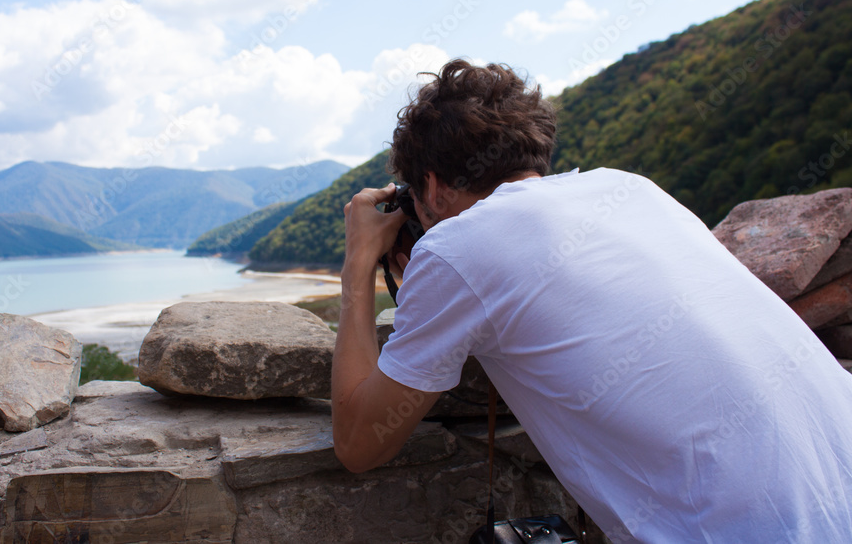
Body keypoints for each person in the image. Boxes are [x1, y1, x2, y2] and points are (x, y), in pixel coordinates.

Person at [331, 58, 852, 542]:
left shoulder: (457, 248)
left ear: (432, 185)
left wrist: (358, 267)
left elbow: (359, 444)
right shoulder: (632, 189)